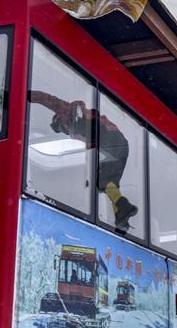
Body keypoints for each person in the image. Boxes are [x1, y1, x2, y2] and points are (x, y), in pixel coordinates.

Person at [30, 90, 138, 230]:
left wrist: (27, 94)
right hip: (119, 145)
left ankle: (122, 209)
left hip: (112, 141)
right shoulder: (77, 129)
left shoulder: (68, 112)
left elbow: (48, 99)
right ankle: (122, 212)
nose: (63, 130)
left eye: (60, 128)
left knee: (104, 181)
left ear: (59, 120)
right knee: (107, 182)